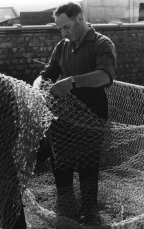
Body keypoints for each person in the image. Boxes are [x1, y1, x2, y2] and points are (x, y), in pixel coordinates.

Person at [33, 1, 116, 226]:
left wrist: (71, 82)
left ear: (80, 18)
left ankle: (89, 211)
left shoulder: (101, 43)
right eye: (60, 28)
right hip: (63, 117)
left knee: (88, 165)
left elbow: (105, 76)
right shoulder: (62, 46)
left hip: (92, 117)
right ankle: (66, 207)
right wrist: (36, 86)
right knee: (61, 163)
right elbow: (47, 73)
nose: (63, 32)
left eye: (66, 26)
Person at [0, 74, 27, 229]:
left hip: (0, 155)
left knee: (8, 205)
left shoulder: (0, 85)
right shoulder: (3, 84)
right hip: (2, 154)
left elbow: (12, 125)